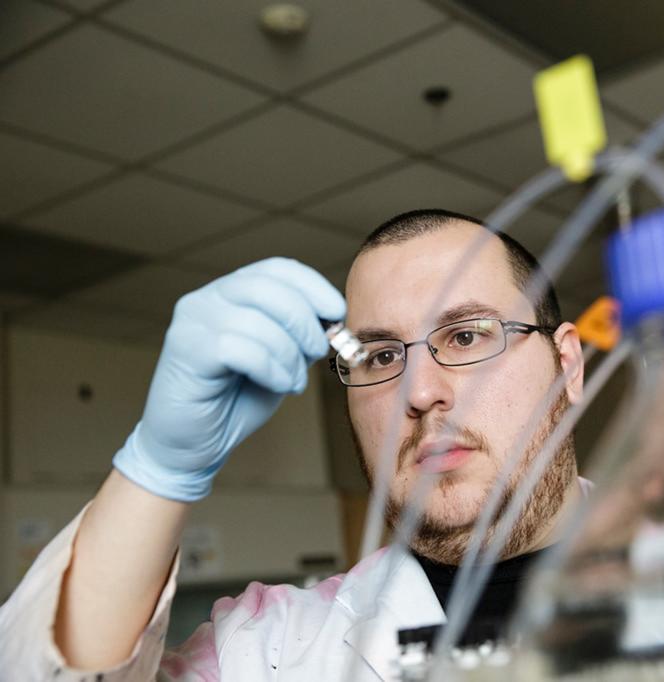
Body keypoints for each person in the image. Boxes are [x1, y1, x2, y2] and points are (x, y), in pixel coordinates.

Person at [0, 209, 587, 681]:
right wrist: (156, 471)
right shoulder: (272, 652)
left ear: (566, 365)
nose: (422, 391)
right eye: (382, 355)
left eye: (465, 336)